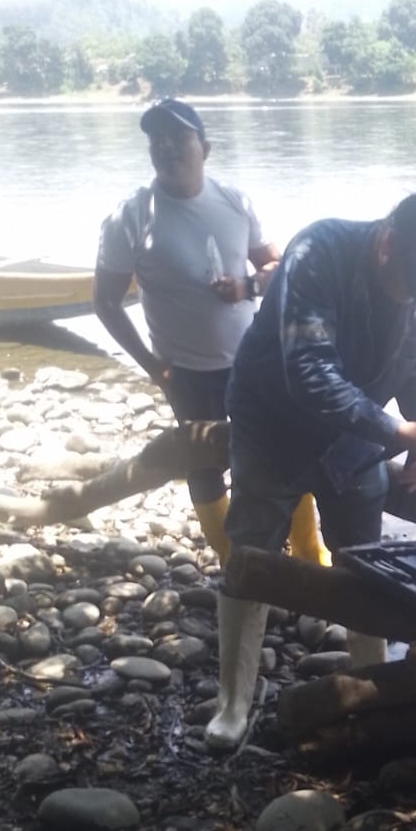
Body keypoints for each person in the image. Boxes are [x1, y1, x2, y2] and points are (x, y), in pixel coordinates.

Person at [205, 189, 416, 750]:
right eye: (412, 281)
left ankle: (370, 686)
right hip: (271, 422)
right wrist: (395, 431)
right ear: (387, 246)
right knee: (251, 548)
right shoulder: (318, 252)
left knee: (364, 554)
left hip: (354, 433)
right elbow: (309, 373)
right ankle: (233, 702)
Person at [92, 98, 325, 565]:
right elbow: (105, 302)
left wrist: (247, 286)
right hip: (186, 371)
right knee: (205, 466)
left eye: (179, 137)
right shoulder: (130, 217)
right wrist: (151, 365)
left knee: (286, 448)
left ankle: (308, 551)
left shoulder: (234, 202)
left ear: (206, 147)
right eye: (157, 139)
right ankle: (234, 558)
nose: (167, 147)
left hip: (254, 360)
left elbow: (278, 268)